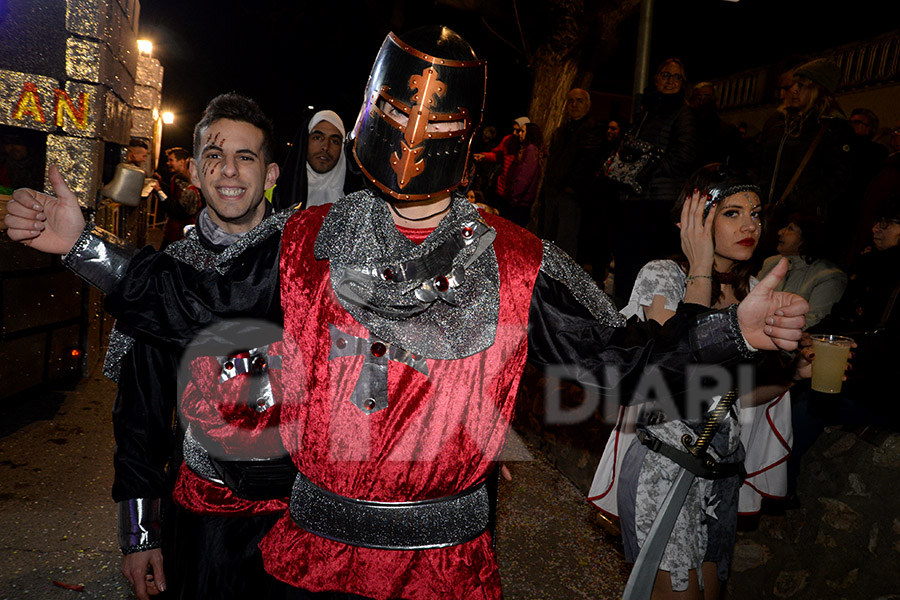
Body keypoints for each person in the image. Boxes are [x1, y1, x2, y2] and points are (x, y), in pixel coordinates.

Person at [5, 27, 809, 600]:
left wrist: (729, 330)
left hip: (442, 569)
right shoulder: (306, 240)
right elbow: (194, 301)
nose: (418, 131)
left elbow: (615, 368)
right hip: (309, 555)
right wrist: (88, 247)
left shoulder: (518, 261)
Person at [93, 93, 292, 600]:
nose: (229, 171)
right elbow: (142, 415)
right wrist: (139, 533)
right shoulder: (163, 273)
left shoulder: (307, 258)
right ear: (196, 175)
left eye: (245, 157)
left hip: (301, 515)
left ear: (270, 174)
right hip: (202, 517)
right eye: (214, 157)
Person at [591, 164, 798, 598]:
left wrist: (793, 373)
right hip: (664, 466)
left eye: (756, 214)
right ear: (695, 219)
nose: (750, 225)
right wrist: (701, 265)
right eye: (732, 213)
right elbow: (676, 373)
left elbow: (739, 396)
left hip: (722, 475)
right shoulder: (664, 276)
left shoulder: (755, 290)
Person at [787, 200, 900, 500]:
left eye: (887, 222)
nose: (876, 228)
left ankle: (780, 490)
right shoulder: (869, 267)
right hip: (854, 377)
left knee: (807, 407)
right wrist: (810, 338)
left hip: (882, 391)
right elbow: (840, 317)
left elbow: (883, 342)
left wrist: (840, 346)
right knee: (783, 394)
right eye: (878, 221)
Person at [610, 57, 699, 308]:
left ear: (684, 83)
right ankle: (625, 315)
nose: (670, 81)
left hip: (660, 203)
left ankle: (651, 324)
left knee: (651, 268)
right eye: (665, 75)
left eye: (676, 76)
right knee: (627, 266)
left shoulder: (684, 113)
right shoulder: (644, 112)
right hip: (633, 199)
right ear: (656, 78)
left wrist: (644, 170)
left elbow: (684, 156)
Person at [756, 58, 854, 246]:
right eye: (794, 84)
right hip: (767, 212)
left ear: (818, 90)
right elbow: (761, 162)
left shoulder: (833, 128)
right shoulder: (778, 122)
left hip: (799, 221)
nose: (793, 90)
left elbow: (837, 180)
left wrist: (793, 202)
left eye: (801, 85)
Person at [536, 88, 604, 261]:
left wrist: (571, 187)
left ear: (588, 105)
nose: (574, 105)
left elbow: (587, 162)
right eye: (571, 101)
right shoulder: (562, 130)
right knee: (549, 238)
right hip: (554, 191)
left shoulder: (591, 129)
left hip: (571, 195)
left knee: (565, 241)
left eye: (579, 101)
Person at [757, 213, 848, 329]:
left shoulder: (829, 276)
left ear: (806, 238)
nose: (780, 232)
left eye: (790, 229)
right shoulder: (771, 262)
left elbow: (814, 321)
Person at [272, 109, 362, 211]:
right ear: (306, 141)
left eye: (334, 141)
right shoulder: (278, 195)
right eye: (317, 137)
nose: (325, 147)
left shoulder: (357, 203)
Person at [475, 120, 542, 226]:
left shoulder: (530, 150)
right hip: (506, 192)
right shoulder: (511, 142)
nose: (517, 133)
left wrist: (514, 199)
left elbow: (524, 178)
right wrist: (485, 156)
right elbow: (498, 154)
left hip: (516, 201)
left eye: (520, 131)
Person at [472, 116, 530, 209]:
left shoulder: (528, 149)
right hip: (501, 187)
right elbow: (498, 154)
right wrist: (485, 156)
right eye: (514, 130)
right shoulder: (509, 140)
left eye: (518, 131)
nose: (514, 133)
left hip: (514, 194)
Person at [161, 147, 204, 248]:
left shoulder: (190, 187)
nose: (168, 163)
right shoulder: (177, 179)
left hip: (180, 234)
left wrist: (159, 192)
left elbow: (179, 210)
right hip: (176, 232)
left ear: (181, 162)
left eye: (171, 160)